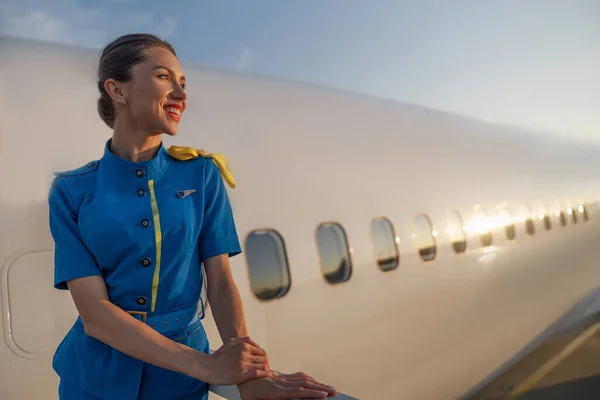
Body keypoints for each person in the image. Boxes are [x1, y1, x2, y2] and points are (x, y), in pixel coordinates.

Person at [48, 33, 336, 400]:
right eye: (164, 77)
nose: (182, 96)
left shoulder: (201, 174)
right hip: (92, 380)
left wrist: (248, 373)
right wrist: (205, 366)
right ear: (117, 91)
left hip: (178, 385)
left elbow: (220, 281)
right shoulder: (71, 191)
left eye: (183, 84)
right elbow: (95, 312)